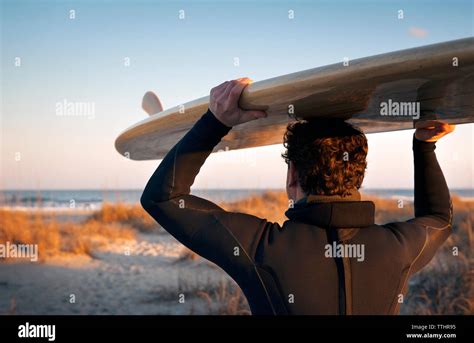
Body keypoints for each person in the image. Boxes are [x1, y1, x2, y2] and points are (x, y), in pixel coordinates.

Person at [141, 78, 455, 315]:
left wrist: (215, 121)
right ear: (358, 173)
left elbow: (163, 198)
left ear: (292, 176)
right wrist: (424, 146)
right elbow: (439, 218)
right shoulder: (399, 248)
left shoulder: (260, 248)